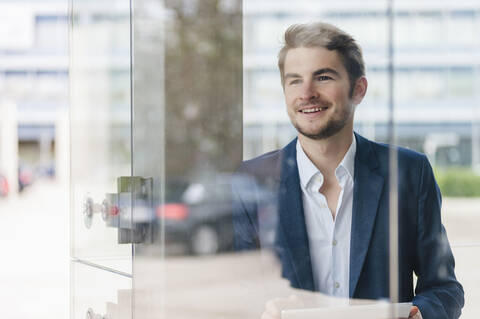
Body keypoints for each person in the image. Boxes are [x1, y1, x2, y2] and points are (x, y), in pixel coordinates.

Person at [231, 22, 464, 319]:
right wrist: (261, 311)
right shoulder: (252, 180)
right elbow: (238, 292)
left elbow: (445, 289)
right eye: (294, 81)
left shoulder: (409, 173)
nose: (307, 93)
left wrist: (422, 313)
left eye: (323, 77)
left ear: (358, 89)